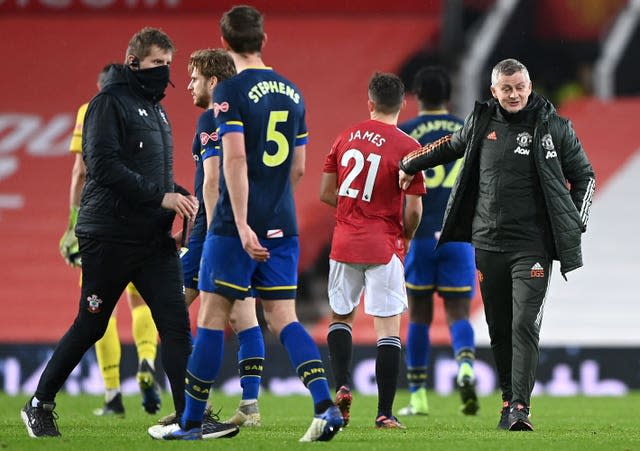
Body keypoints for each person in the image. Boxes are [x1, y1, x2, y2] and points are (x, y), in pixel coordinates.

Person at [150, 5, 343, 442]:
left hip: (234, 228)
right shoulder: (293, 92)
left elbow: (232, 159)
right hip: (283, 225)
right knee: (284, 319)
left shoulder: (231, 92)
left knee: (212, 319)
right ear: (264, 39)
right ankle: (325, 407)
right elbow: (298, 169)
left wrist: (241, 223)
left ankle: (192, 423)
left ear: (224, 43)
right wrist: (272, 210)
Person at [21, 27, 200, 438]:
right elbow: (101, 166)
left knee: (174, 324)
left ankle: (190, 417)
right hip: (109, 235)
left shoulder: (156, 110)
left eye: (168, 65)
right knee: (91, 324)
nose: (165, 73)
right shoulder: (108, 103)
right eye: (157, 64)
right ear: (134, 62)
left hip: (152, 238)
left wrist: (182, 199)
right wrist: (163, 197)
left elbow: (156, 175)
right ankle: (39, 404)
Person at [399, 58, 595, 431]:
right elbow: (449, 146)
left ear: (529, 85)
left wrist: (575, 222)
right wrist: (411, 163)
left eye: (520, 86)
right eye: (506, 88)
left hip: (533, 246)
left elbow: (584, 175)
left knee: (523, 323)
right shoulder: (481, 121)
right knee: (499, 327)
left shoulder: (554, 126)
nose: (515, 94)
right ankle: (507, 400)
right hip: (487, 243)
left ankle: (521, 406)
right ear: (494, 91)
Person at [155, 48, 264, 429]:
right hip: (242, 225)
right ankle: (249, 407)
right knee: (243, 316)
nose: (188, 85)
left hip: (213, 233)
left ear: (213, 81)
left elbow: (214, 181)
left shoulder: (212, 117)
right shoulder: (247, 116)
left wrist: (216, 231)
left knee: (169, 313)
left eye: (195, 78)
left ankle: (192, 406)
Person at [320, 72, 425, 430]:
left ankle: (343, 385)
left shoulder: (345, 137)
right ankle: (383, 413)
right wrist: (404, 235)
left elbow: (325, 192)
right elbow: (413, 210)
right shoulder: (409, 147)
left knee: (340, 317)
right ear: (403, 105)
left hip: (345, 241)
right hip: (383, 244)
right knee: (388, 330)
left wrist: (353, 211)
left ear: (370, 103)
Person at [59, 63, 161, 418]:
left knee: (98, 307)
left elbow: (80, 170)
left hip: (101, 224)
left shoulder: (90, 111)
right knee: (141, 303)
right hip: (143, 219)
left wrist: (73, 224)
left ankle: (113, 394)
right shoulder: (148, 108)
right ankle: (147, 361)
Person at [396, 66, 479, 417]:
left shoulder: (406, 132)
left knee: (419, 316)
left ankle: (418, 397)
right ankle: (465, 366)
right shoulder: (467, 130)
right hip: (459, 236)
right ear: (448, 97)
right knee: (459, 312)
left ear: (417, 96)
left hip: (420, 236)